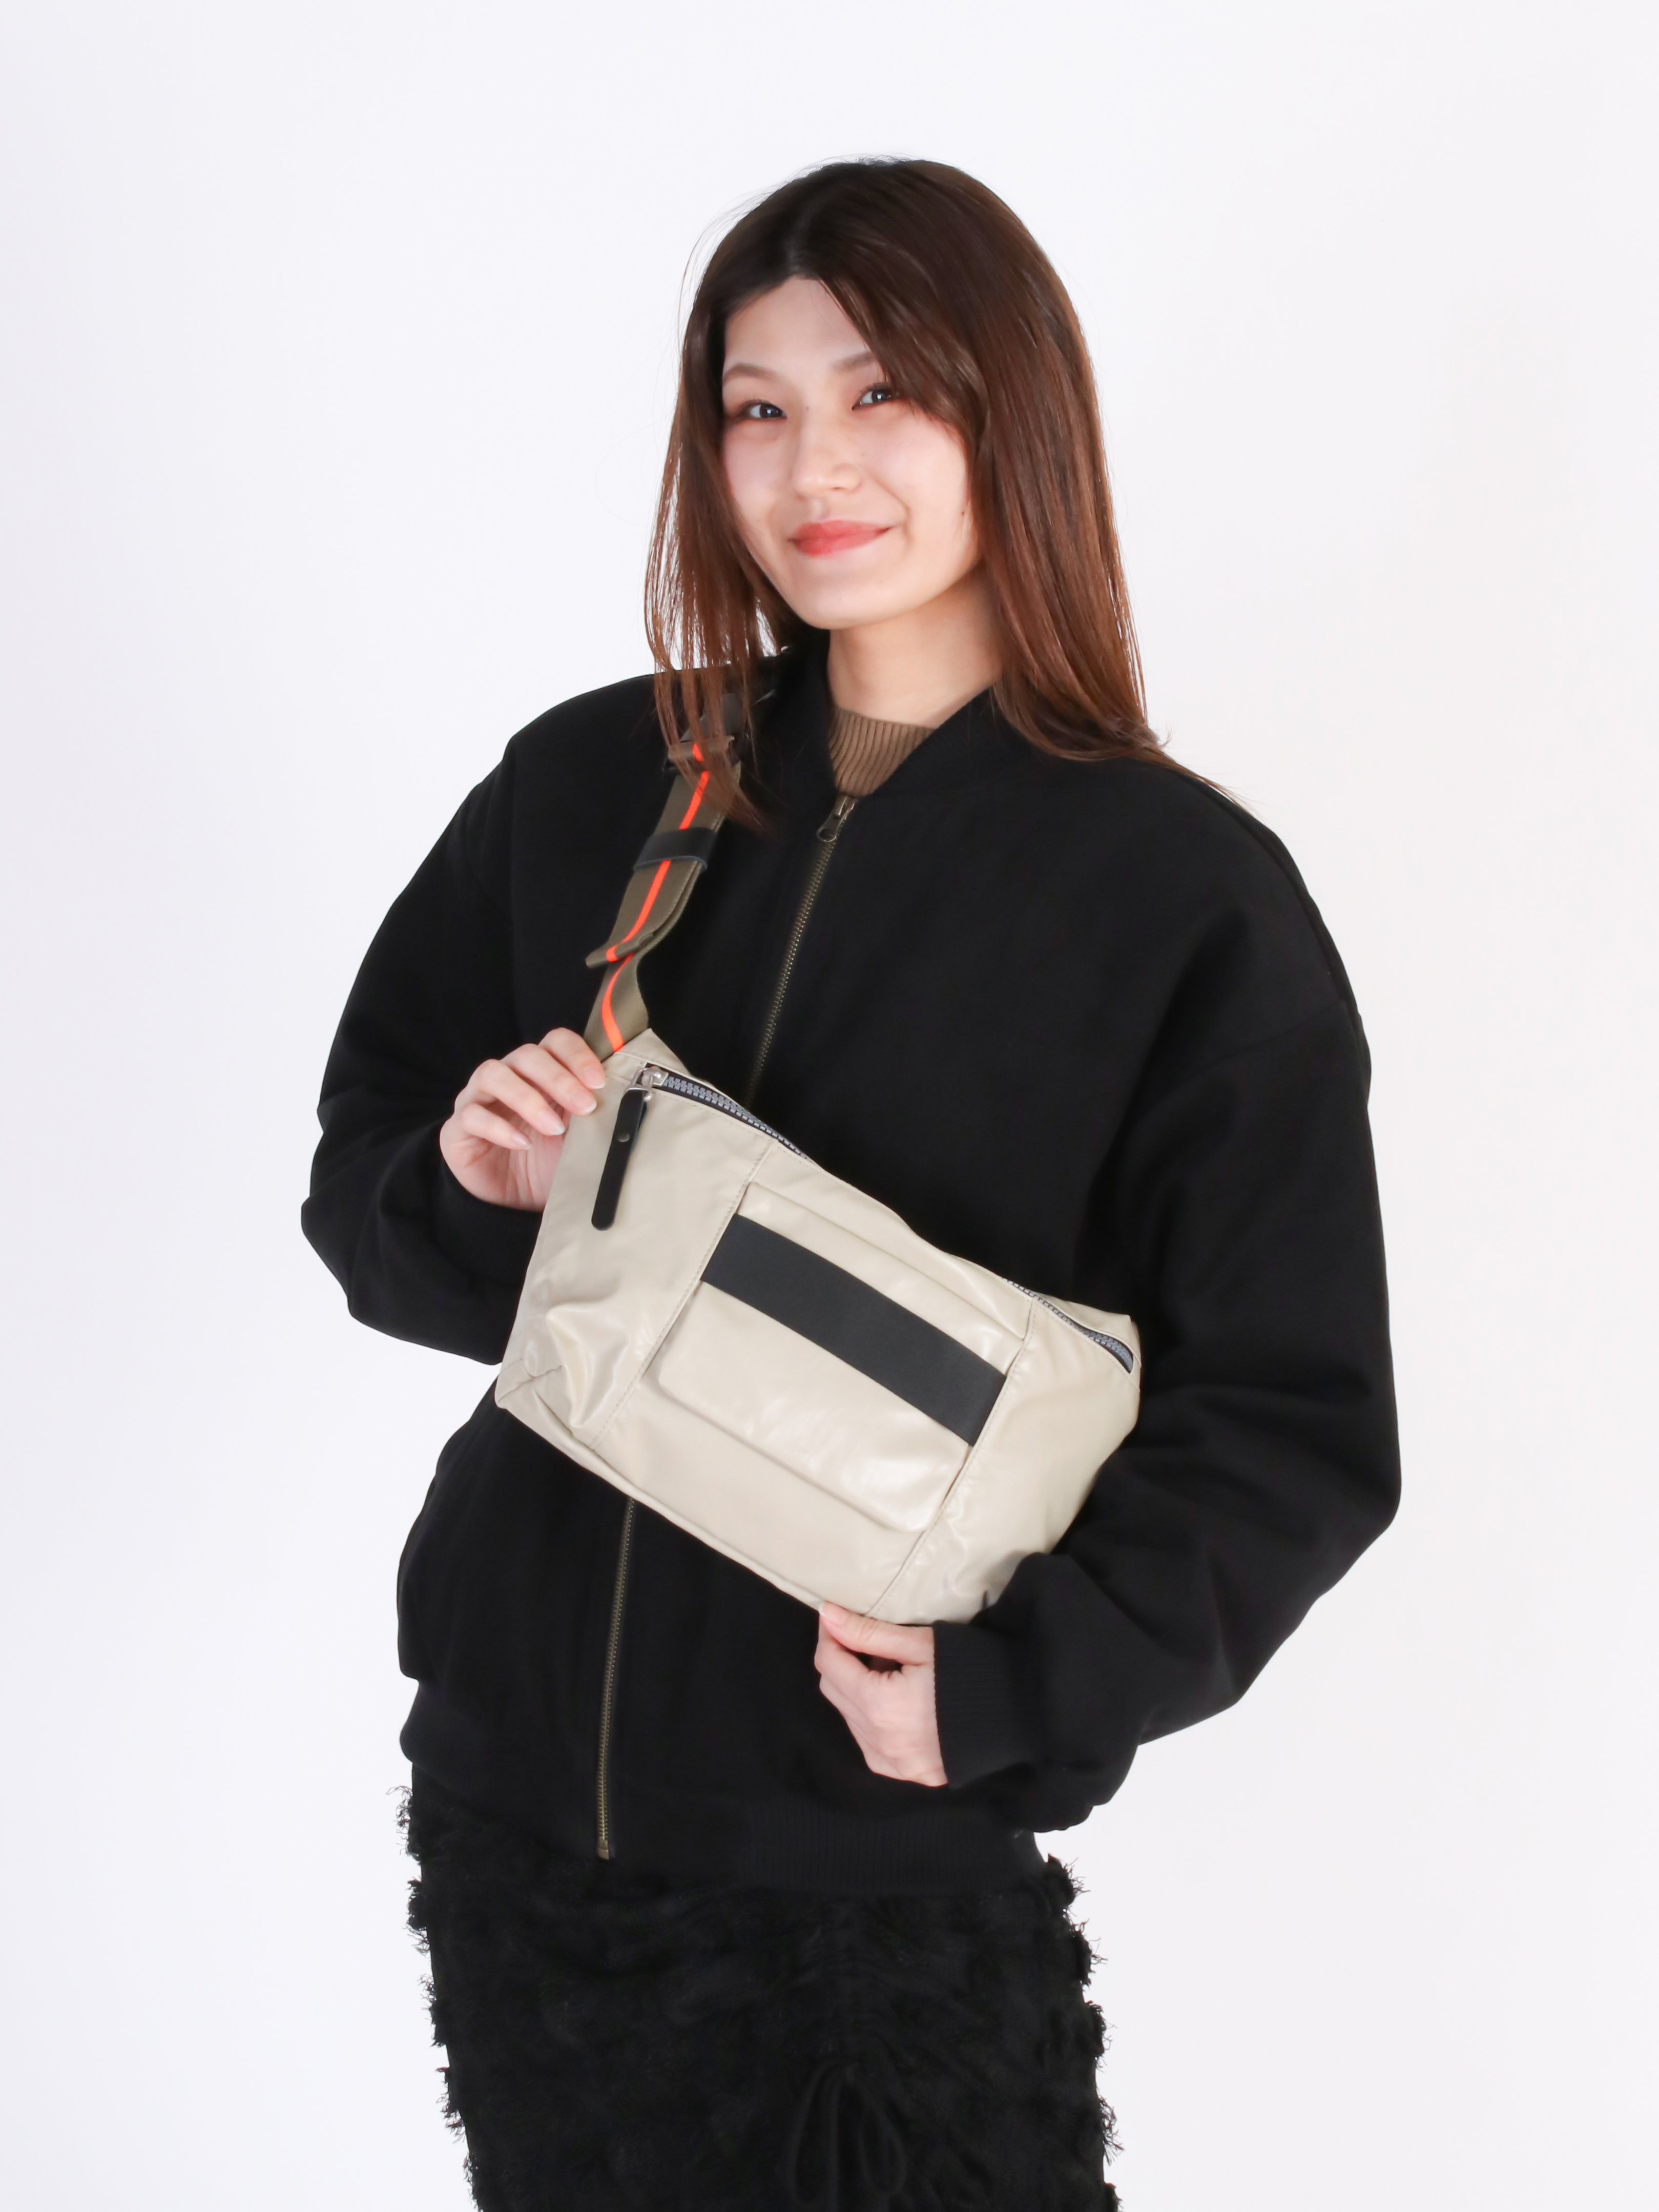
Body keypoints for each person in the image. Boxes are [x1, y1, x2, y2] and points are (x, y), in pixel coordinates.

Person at [302, 158, 1400, 2212]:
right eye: (757, 406)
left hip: (866, 1871)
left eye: (881, 390)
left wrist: (1015, 1690)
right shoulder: (595, 788)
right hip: (518, 1833)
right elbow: (366, 1181)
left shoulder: (1182, 899)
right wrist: (475, 1195)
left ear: (1012, 413)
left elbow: (1291, 1423)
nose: (813, 464)